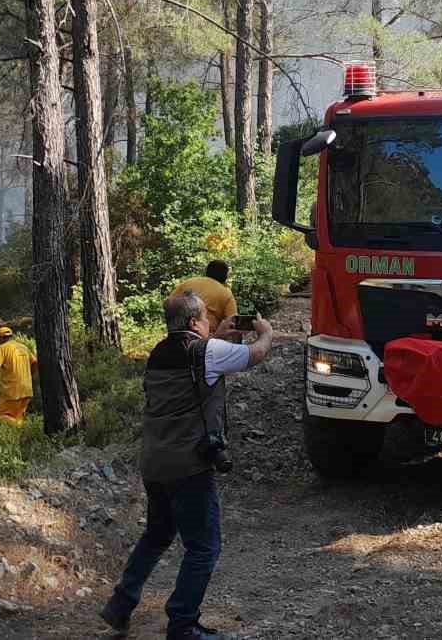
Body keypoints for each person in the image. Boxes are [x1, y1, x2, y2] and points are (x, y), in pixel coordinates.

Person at [100, 291, 272, 639]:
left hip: (153, 462)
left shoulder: (158, 354)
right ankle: (183, 623)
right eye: (206, 319)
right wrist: (266, 332)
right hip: (189, 465)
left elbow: (201, 361)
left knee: (158, 534)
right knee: (204, 546)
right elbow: (254, 354)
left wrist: (218, 335)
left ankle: (120, 605)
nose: (209, 324)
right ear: (195, 321)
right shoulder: (207, 353)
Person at [0, 324, 36, 424]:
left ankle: (22, 430)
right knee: (17, 418)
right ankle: (21, 435)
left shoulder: (1, 348)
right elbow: (35, 363)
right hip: (27, 390)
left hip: (12, 391)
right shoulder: (23, 347)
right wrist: (28, 376)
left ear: (0, 338)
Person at [171, 260, 236, 333]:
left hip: (179, 331)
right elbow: (232, 321)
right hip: (206, 337)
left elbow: (169, 303)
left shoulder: (188, 282)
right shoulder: (226, 293)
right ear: (225, 276)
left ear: (207, 271)